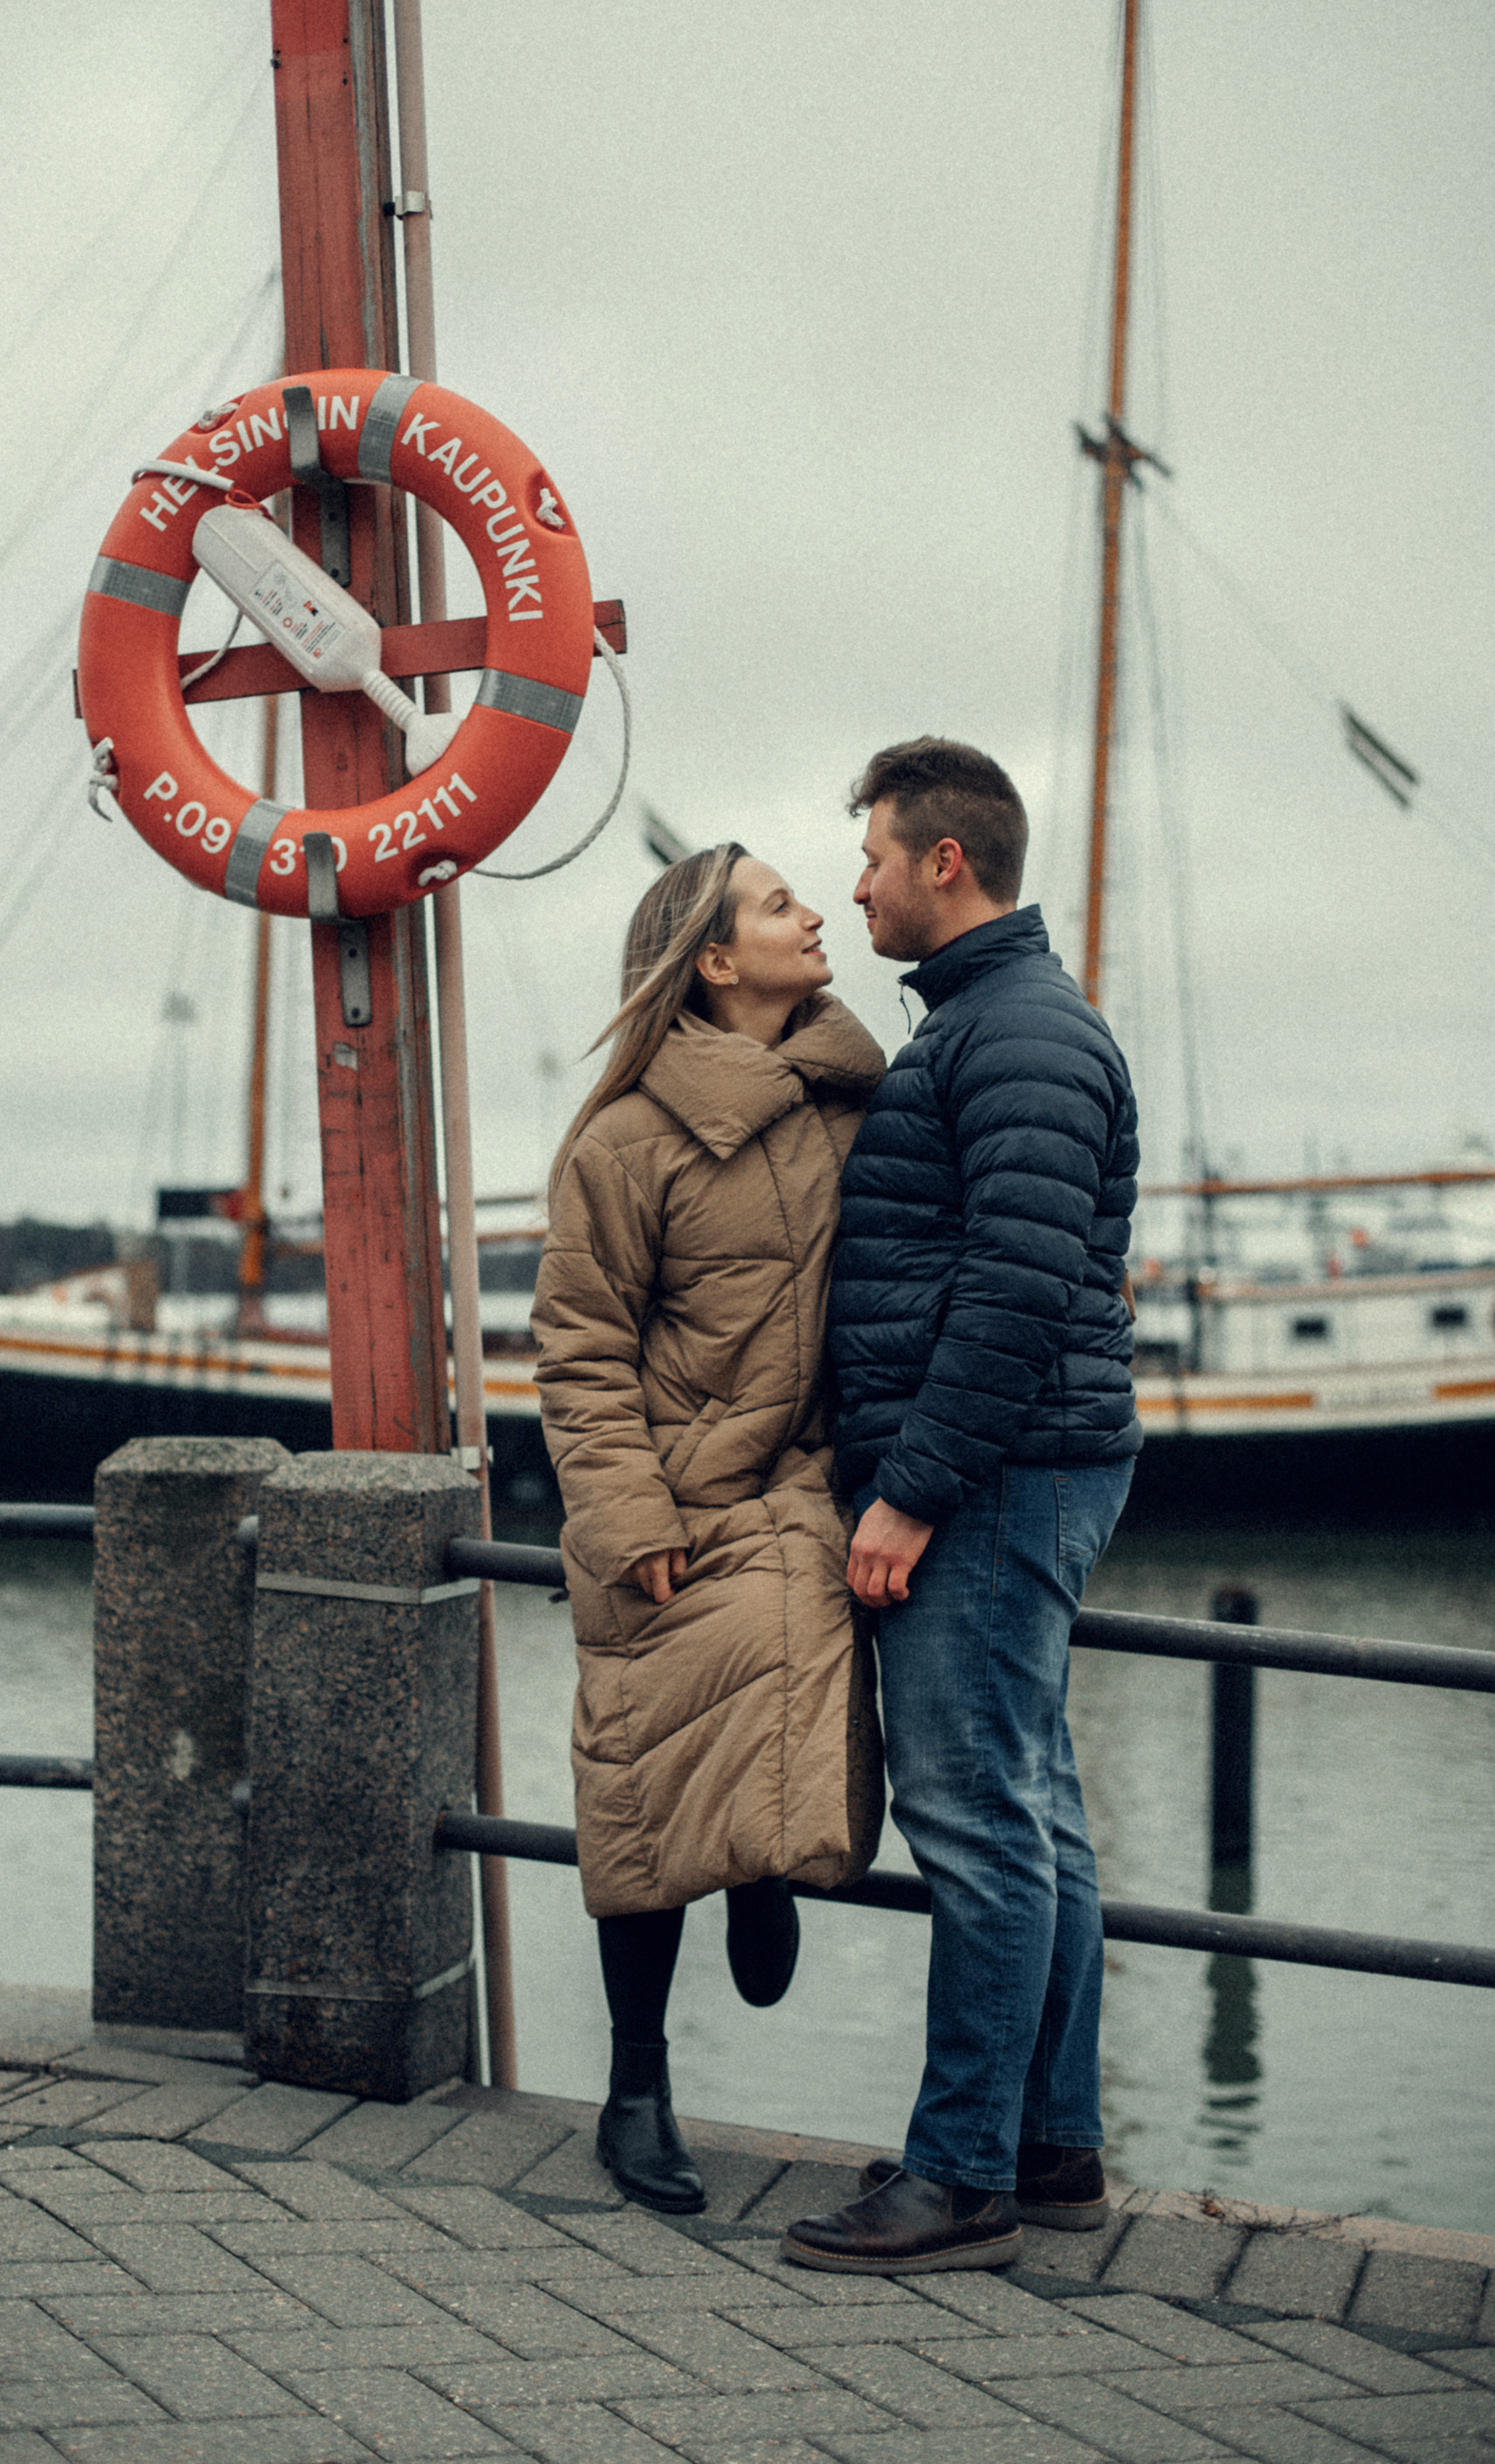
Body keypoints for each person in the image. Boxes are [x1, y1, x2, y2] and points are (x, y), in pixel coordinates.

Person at [782, 739, 1140, 2278]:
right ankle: (1047, 2147)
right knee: (1032, 1809)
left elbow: (1016, 1286)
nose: (854, 884)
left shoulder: (1022, 1033)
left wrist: (912, 1494)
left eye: (871, 855)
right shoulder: (990, 1021)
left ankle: (961, 2179)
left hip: (991, 1478)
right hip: (1017, 1465)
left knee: (978, 1823)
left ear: (944, 861)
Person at [531, 843, 886, 2214]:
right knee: (635, 1782)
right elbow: (579, 1349)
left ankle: (763, 1861)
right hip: (666, 1510)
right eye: (780, 903)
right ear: (718, 961)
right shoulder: (622, 1142)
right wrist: (628, 1516)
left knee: (793, 1641)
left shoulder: (861, 1106)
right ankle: (636, 2091)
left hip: (807, 1491)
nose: (816, 912)